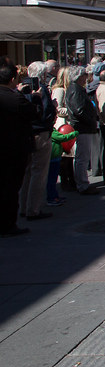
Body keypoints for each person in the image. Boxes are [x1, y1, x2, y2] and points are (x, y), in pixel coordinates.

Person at [0, 57, 37, 236]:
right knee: (11, 188)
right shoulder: (15, 99)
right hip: (14, 150)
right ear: (13, 79)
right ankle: (8, 224)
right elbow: (32, 112)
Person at [20, 61, 57, 220]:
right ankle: (33, 209)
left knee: (28, 171)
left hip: (26, 133)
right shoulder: (39, 90)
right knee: (38, 172)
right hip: (40, 133)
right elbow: (45, 113)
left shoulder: (21, 89)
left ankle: (24, 206)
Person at [65, 66, 99, 195]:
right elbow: (79, 110)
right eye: (85, 74)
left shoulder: (78, 89)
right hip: (82, 127)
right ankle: (82, 184)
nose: (86, 77)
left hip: (83, 126)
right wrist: (90, 119)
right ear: (79, 76)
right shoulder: (75, 90)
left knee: (82, 157)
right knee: (82, 157)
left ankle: (82, 182)